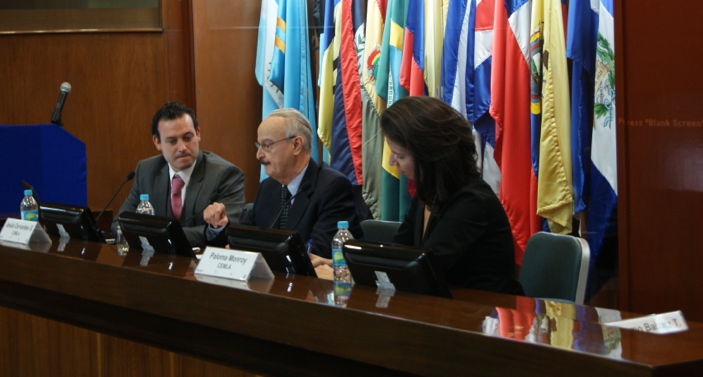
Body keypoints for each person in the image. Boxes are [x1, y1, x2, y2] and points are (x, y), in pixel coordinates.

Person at [381, 96, 523, 295]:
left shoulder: (473, 202)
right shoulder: (428, 192)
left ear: (429, 155)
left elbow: (427, 269)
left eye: (400, 156)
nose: (391, 162)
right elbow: (398, 251)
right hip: (446, 309)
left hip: (486, 316)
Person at [204, 108, 362, 258]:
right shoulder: (268, 187)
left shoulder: (333, 187)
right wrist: (221, 226)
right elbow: (246, 236)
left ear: (296, 145)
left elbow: (320, 252)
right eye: (259, 146)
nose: (259, 155)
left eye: (266, 145)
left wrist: (258, 252)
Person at [118, 102, 245, 247]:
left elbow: (227, 230)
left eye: (187, 138)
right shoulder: (146, 171)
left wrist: (157, 235)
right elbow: (120, 223)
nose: (182, 148)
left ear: (198, 133)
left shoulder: (225, 174)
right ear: (157, 142)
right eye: (172, 141)